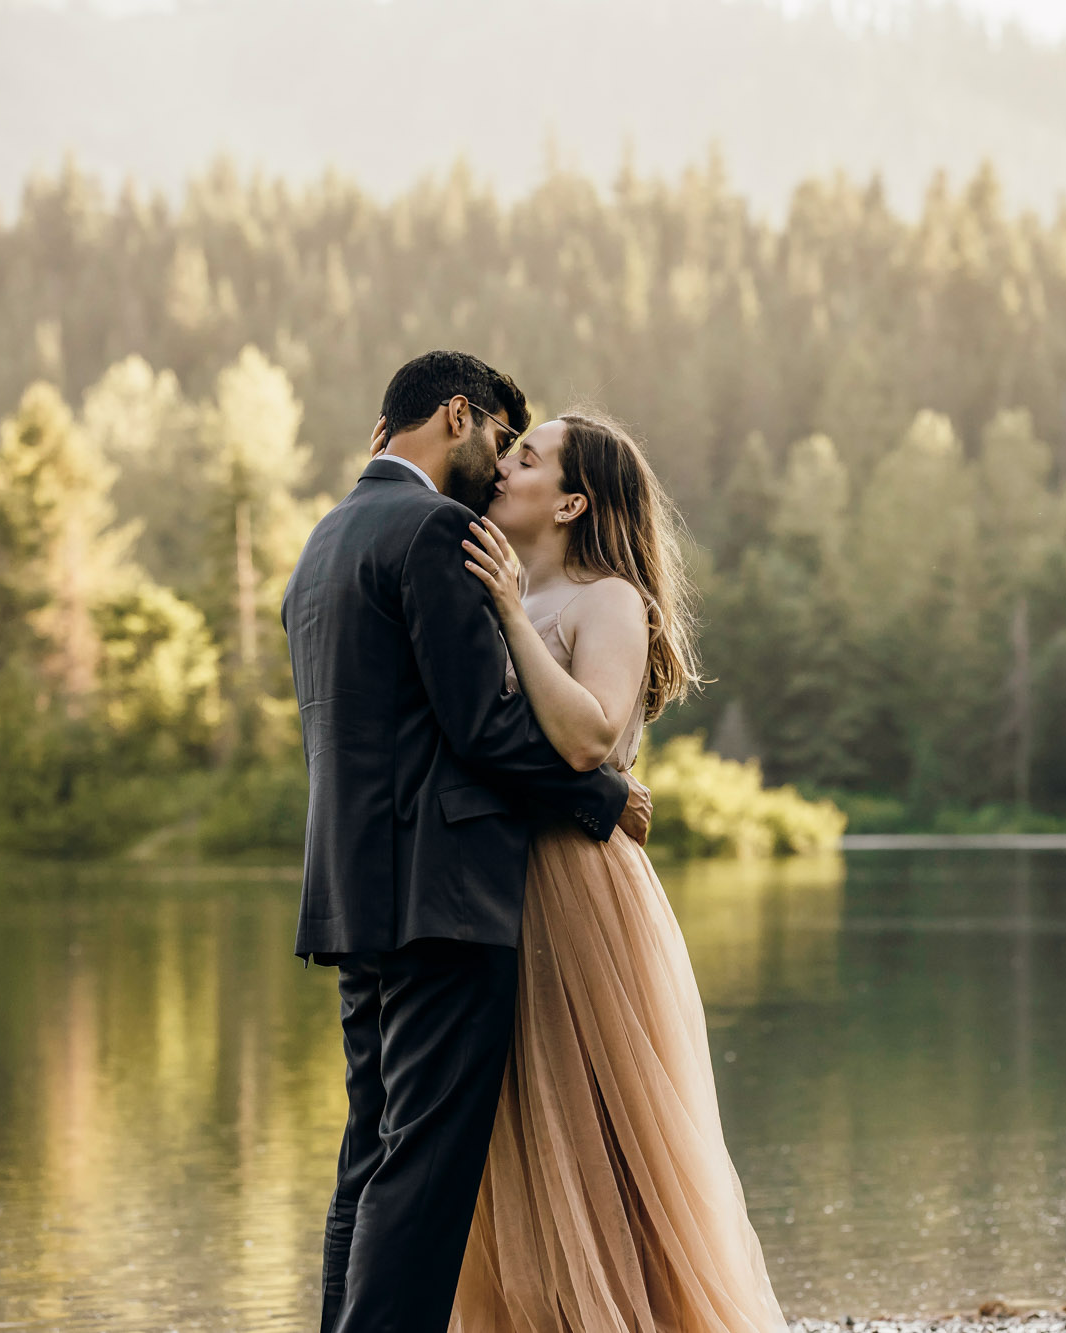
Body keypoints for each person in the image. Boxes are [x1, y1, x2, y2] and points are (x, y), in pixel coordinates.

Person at [390, 407, 787, 1333]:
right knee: (515, 1131)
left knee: (601, 1130)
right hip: (493, 884)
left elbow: (590, 736)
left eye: (527, 458)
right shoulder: (511, 588)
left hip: (577, 890)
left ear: (572, 500)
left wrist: (505, 617)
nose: (504, 466)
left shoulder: (606, 598)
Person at [282, 351, 652, 1333]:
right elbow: (480, 727)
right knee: (428, 1163)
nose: (497, 467)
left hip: (351, 893)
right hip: (442, 897)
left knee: (370, 1151)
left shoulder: (323, 539)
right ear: (458, 414)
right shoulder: (436, 529)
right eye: (499, 438)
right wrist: (600, 798)